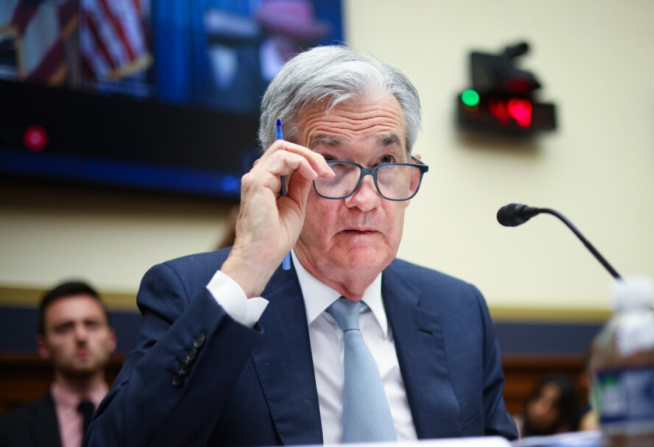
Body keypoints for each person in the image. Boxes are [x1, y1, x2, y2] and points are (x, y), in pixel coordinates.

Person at [85, 45, 517, 446]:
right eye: (331, 164)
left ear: (412, 171)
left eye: (386, 163)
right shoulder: (193, 292)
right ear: (281, 171)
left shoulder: (459, 311)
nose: (364, 199)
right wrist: (249, 267)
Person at [0, 281, 117, 447]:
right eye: (65, 328)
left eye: (91, 324)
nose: (81, 336)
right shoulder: (10, 430)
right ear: (44, 346)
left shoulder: (142, 419)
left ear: (111, 339)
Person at [516, 375, 581, 438]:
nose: (540, 410)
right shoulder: (515, 428)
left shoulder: (569, 438)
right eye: (539, 397)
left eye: (553, 405)